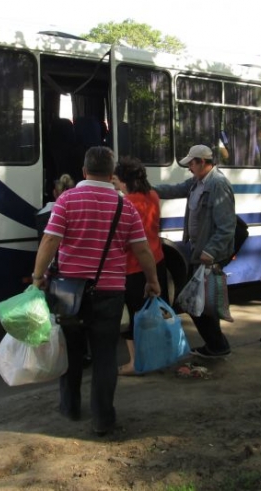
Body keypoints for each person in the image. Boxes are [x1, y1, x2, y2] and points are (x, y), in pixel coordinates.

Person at [31, 147, 161, 436]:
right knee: (104, 356)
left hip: (69, 293)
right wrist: (152, 280)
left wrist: (38, 277)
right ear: (111, 174)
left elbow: (50, 240)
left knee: (72, 353)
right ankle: (103, 419)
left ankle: (70, 407)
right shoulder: (124, 206)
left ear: (84, 171)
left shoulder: (66, 199)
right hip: (109, 293)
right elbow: (141, 248)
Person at [153, 144, 236, 358]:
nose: (189, 167)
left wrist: (211, 251)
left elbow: (227, 226)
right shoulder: (197, 182)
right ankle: (217, 345)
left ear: (202, 162)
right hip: (197, 251)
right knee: (201, 302)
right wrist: (146, 188)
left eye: (191, 163)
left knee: (196, 302)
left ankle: (217, 345)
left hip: (208, 254)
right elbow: (175, 189)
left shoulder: (218, 185)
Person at [112, 156, 168, 376]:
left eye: (116, 179)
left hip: (133, 267)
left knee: (134, 318)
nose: (114, 183)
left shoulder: (125, 204)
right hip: (157, 261)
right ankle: (156, 356)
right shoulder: (153, 195)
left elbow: (125, 240)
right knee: (152, 314)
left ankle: (135, 362)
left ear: (124, 180)